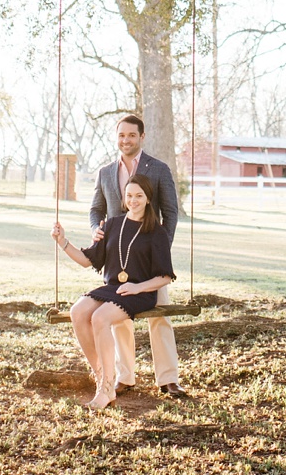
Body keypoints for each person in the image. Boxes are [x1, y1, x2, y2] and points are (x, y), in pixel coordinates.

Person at [51, 173, 175, 409]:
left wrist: (137, 287)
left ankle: (107, 389)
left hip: (140, 293)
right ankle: (102, 377)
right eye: (129, 195)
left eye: (139, 195)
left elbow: (165, 276)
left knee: (100, 318)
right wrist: (63, 242)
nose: (134, 200)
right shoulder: (111, 224)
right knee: (78, 312)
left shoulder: (156, 232)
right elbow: (88, 260)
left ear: (148, 198)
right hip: (113, 288)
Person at [88, 114, 185, 397]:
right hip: (117, 261)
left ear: (141, 137)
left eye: (131, 135)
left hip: (150, 262)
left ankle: (168, 378)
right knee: (117, 321)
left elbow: (171, 212)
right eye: (121, 135)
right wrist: (97, 232)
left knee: (160, 317)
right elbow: (96, 210)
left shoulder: (158, 168)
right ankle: (125, 377)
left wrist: (158, 250)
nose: (126, 140)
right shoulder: (106, 172)